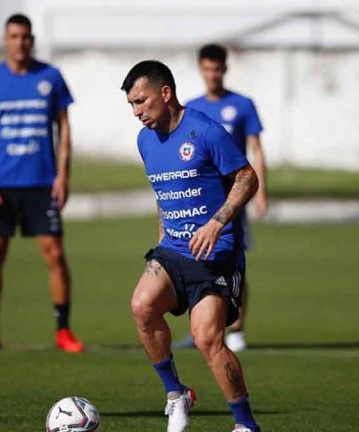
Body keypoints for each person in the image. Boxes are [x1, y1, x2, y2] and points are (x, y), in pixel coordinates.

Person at [122, 60, 261, 432]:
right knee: (142, 306)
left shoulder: (205, 130)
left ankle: (245, 424)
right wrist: (161, 238)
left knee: (206, 340)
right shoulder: (145, 141)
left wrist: (217, 222)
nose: (136, 112)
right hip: (173, 249)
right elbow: (163, 193)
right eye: (131, 104)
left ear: (165, 93)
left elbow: (247, 179)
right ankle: (176, 394)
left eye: (141, 101)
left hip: (216, 254)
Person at [0, 13, 84, 353]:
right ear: (5, 40)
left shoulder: (50, 77)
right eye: (14, 36)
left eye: (26, 37)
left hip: (42, 183)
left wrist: (63, 174)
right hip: (1, 183)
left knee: (55, 254)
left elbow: (64, 128)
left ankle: (63, 330)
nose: (20, 42)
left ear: (32, 40)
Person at [175, 43, 267, 353]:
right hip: (200, 199)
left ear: (225, 69)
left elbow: (256, 150)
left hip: (233, 199)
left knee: (234, 264)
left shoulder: (242, 105)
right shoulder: (191, 108)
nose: (212, 75)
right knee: (196, 262)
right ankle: (200, 328)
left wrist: (261, 193)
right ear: (201, 70)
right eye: (207, 69)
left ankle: (236, 329)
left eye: (217, 69)